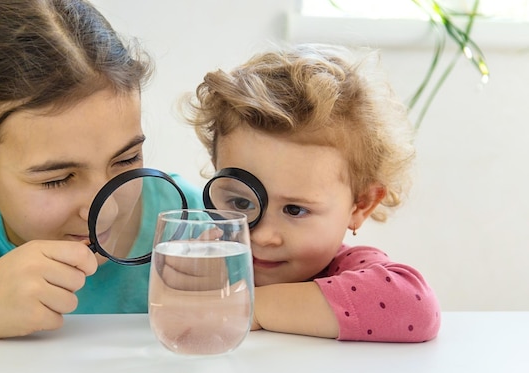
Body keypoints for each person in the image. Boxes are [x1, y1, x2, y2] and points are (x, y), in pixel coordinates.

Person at [0, 0, 202, 339]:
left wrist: (246, 296)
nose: (107, 211)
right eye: (57, 179)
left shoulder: (185, 220)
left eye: (126, 160)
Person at [184, 43, 441, 342]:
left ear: (360, 205)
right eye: (241, 202)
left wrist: (248, 307)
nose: (263, 236)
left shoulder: (346, 270)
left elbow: (417, 308)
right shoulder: (213, 259)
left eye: (295, 210)